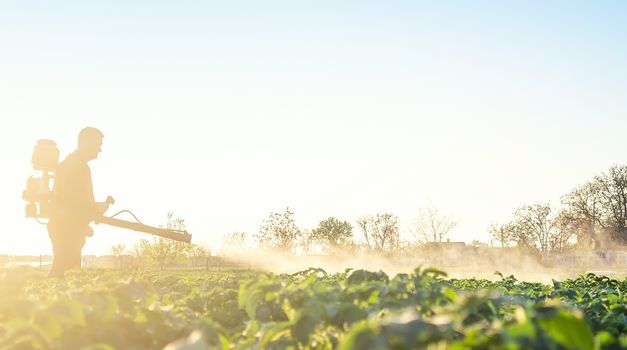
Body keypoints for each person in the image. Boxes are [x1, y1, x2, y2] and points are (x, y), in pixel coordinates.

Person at [47, 127, 113, 278]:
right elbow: (73, 202)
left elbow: (76, 200)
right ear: (86, 143)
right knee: (63, 273)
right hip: (66, 229)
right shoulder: (76, 166)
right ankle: (44, 299)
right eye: (98, 145)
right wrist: (95, 209)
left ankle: (50, 298)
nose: (100, 150)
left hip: (67, 227)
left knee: (66, 272)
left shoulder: (73, 164)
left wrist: (94, 209)